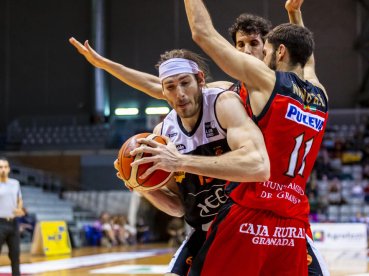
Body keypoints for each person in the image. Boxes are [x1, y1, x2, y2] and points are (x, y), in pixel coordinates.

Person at [133, 0, 328, 274]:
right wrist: (295, 14)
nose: (257, 56)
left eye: (266, 49)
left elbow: (202, 33)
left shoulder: (266, 81)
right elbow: (309, 61)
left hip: (250, 209)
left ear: (280, 52)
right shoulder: (320, 94)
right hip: (293, 216)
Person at [115, 49, 269, 276]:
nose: (180, 93)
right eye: (170, 87)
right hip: (204, 230)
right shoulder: (163, 133)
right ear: (163, 92)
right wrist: (142, 188)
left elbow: (258, 166)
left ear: (200, 80)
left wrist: (180, 161)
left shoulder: (223, 104)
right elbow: (178, 207)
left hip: (248, 225)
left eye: (185, 83)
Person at [0, 157, 24, 276]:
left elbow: (19, 199)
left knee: (15, 255)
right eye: (0, 167)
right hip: (0, 223)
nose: (3, 169)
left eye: (5, 167)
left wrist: (19, 209)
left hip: (13, 223)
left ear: (9, 169)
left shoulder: (15, 183)